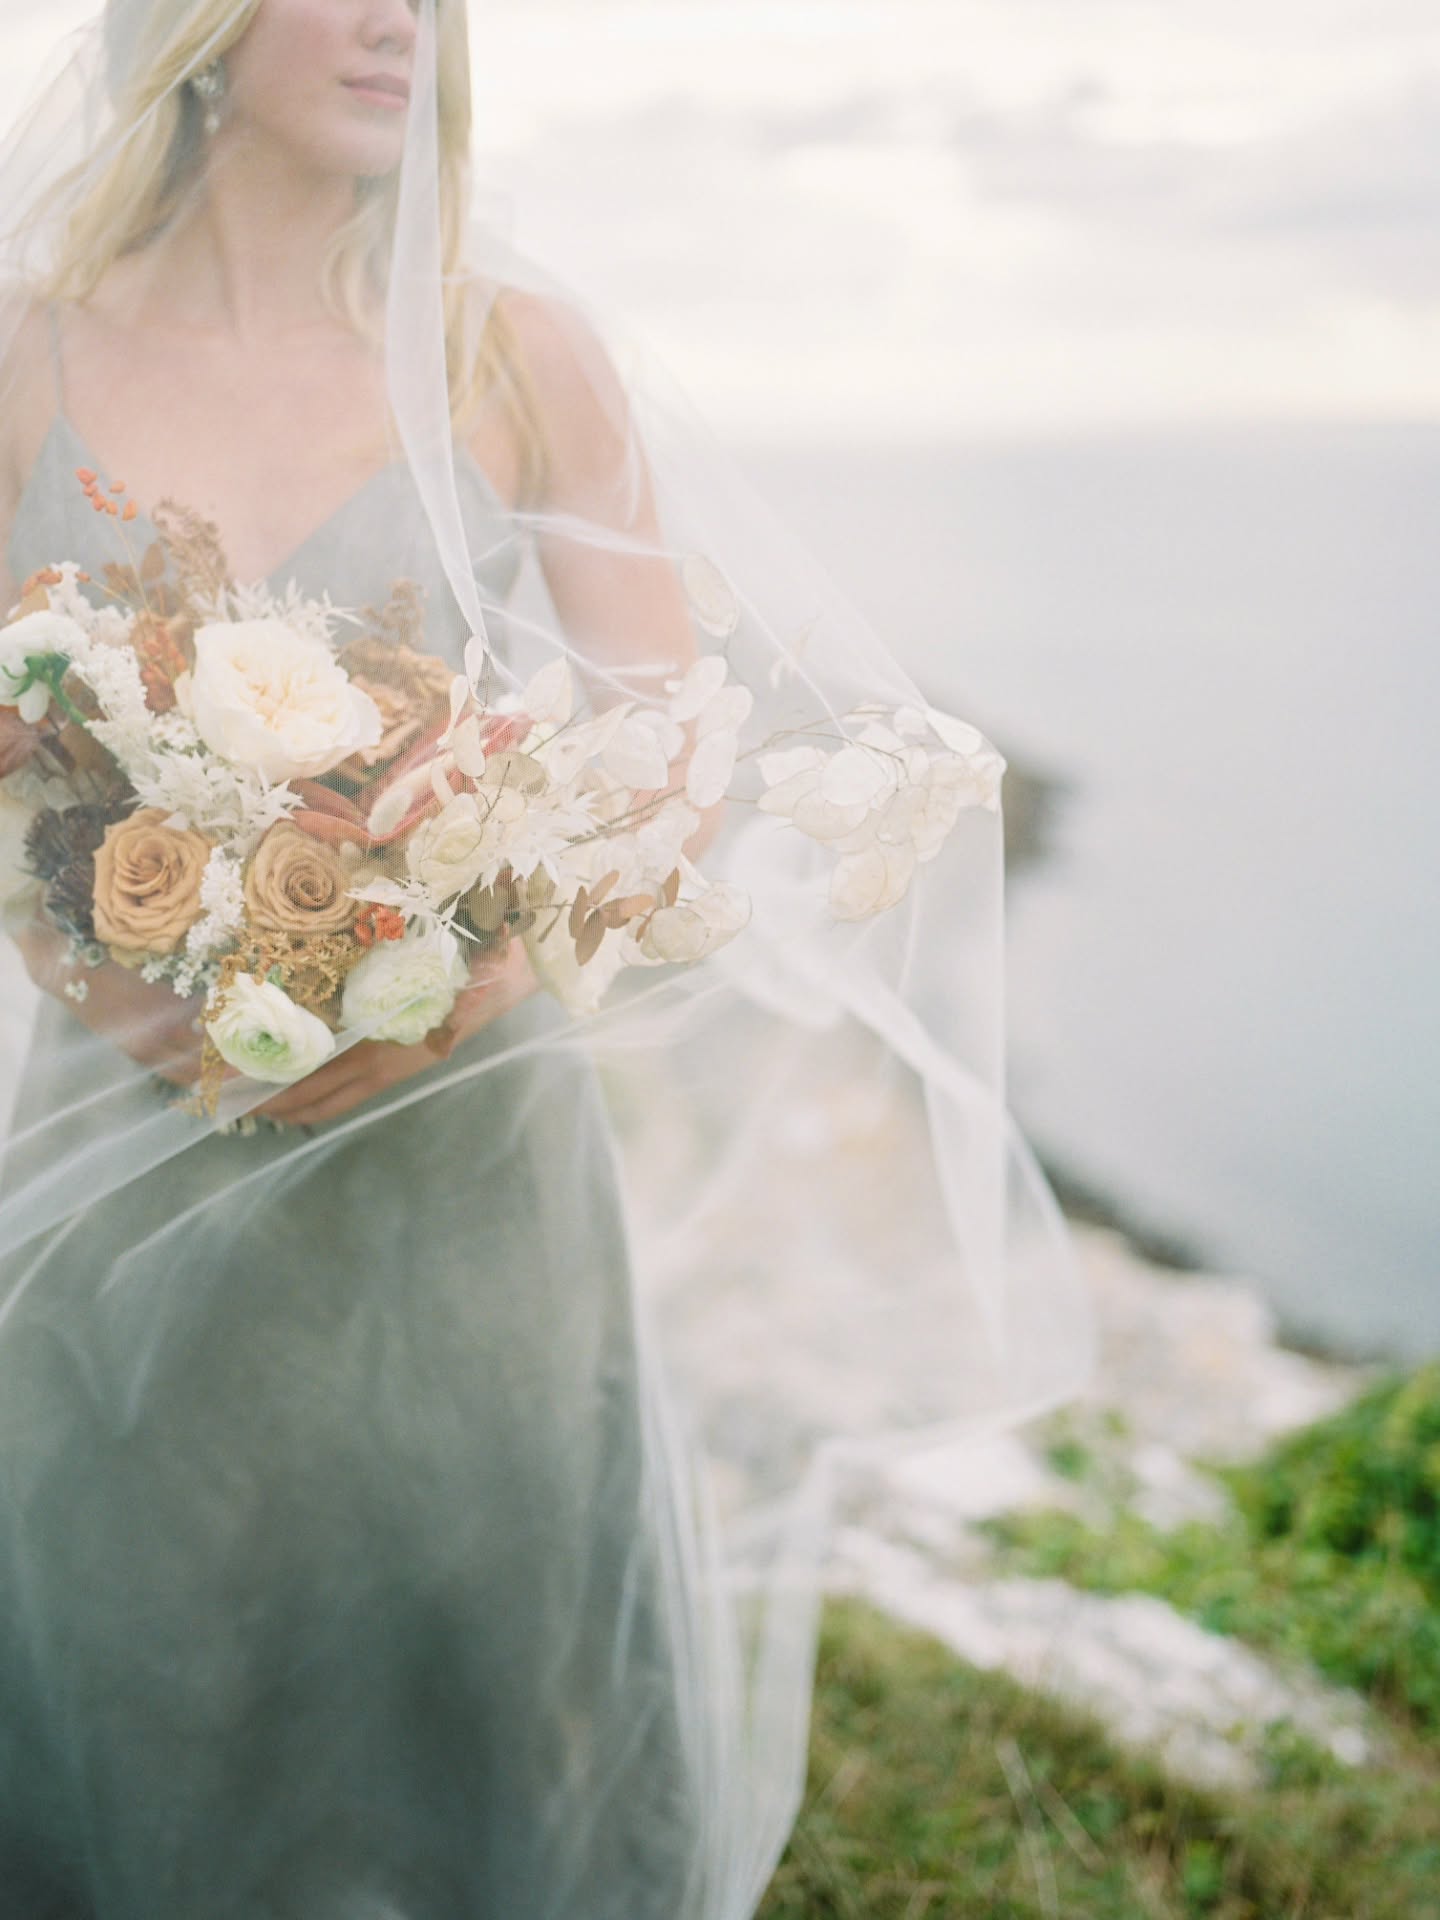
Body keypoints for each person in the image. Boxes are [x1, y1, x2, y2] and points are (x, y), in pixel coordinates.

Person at [0, 1, 1098, 1914]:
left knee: (485, 1702)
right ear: (192, 23)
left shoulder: (510, 351)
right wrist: (115, 988)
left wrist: (454, 976)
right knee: (141, 1669)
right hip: (127, 1135)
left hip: (464, 1174)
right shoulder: (26, 359)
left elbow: (664, 751)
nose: (396, 20)